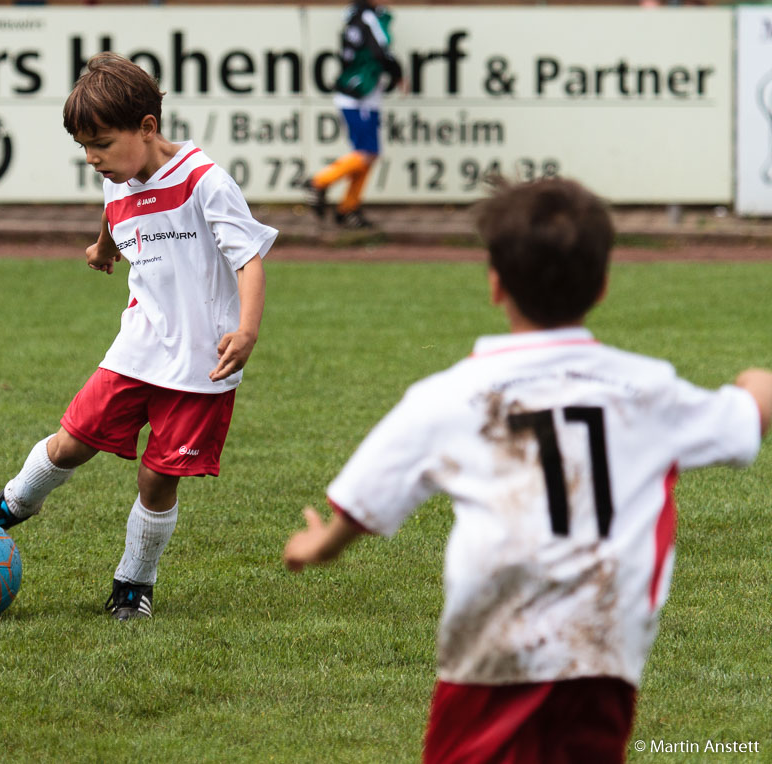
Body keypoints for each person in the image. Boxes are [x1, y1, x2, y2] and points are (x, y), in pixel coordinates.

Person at [283, 177, 772, 762]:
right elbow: (751, 413)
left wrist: (320, 546)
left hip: (492, 649)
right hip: (603, 649)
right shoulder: (649, 390)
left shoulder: (451, 395)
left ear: (495, 283)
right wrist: (752, 384)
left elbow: (364, 503)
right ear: (604, 284)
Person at [0, 52, 277, 622]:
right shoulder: (118, 179)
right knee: (72, 441)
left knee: (157, 476)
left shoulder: (205, 181)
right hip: (136, 349)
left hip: (200, 363)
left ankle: (134, 583)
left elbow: (249, 259)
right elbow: (117, 215)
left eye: (102, 144)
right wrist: (104, 249)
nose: (94, 159)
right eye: (85, 149)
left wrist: (247, 330)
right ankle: (12, 503)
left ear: (147, 128)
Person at [306, 0, 403, 230]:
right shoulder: (369, 17)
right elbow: (381, 50)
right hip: (359, 97)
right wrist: (398, 73)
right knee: (366, 154)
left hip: (362, 96)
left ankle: (348, 208)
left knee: (368, 154)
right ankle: (319, 182)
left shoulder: (356, 16)